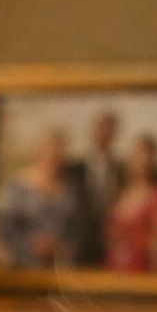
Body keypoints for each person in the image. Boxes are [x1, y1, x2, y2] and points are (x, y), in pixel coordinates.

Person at [0, 129, 79, 270]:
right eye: (49, 153)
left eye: (58, 154)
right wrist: (31, 244)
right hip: (22, 264)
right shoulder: (18, 186)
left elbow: (75, 229)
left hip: (59, 266)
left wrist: (60, 247)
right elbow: (4, 228)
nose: (53, 159)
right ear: (38, 153)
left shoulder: (70, 189)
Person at [105, 135, 157, 272]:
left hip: (141, 272)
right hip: (112, 268)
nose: (142, 162)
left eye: (147, 157)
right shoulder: (119, 194)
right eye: (138, 155)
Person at [62, 111, 124, 267]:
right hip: (77, 245)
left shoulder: (122, 170)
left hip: (109, 243)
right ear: (92, 131)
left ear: (115, 134)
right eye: (100, 127)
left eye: (109, 128)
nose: (104, 133)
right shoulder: (73, 169)